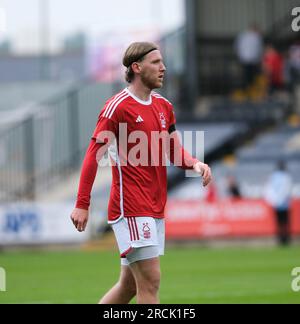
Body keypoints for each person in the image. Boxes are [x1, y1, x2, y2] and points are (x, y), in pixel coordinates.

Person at [70, 42, 212, 304]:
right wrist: (82, 204)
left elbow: (174, 150)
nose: (163, 68)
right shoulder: (117, 107)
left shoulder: (163, 106)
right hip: (131, 207)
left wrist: (195, 164)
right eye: (156, 62)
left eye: (162, 62)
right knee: (151, 282)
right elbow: (93, 154)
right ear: (137, 67)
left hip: (155, 206)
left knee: (129, 286)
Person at [264, 161, 293, 246]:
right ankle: (285, 239)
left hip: (277, 204)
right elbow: (287, 190)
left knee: (279, 223)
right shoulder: (286, 177)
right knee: (285, 222)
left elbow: (269, 190)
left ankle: (281, 238)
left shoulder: (273, 176)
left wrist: (274, 200)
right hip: (284, 204)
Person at [235, 24, 263, 89]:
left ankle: (248, 88)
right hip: (251, 60)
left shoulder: (243, 35)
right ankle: (250, 88)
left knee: (247, 75)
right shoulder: (256, 37)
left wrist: (240, 56)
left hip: (246, 59)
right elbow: (259, 49)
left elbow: (237, 47)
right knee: (251, 76)